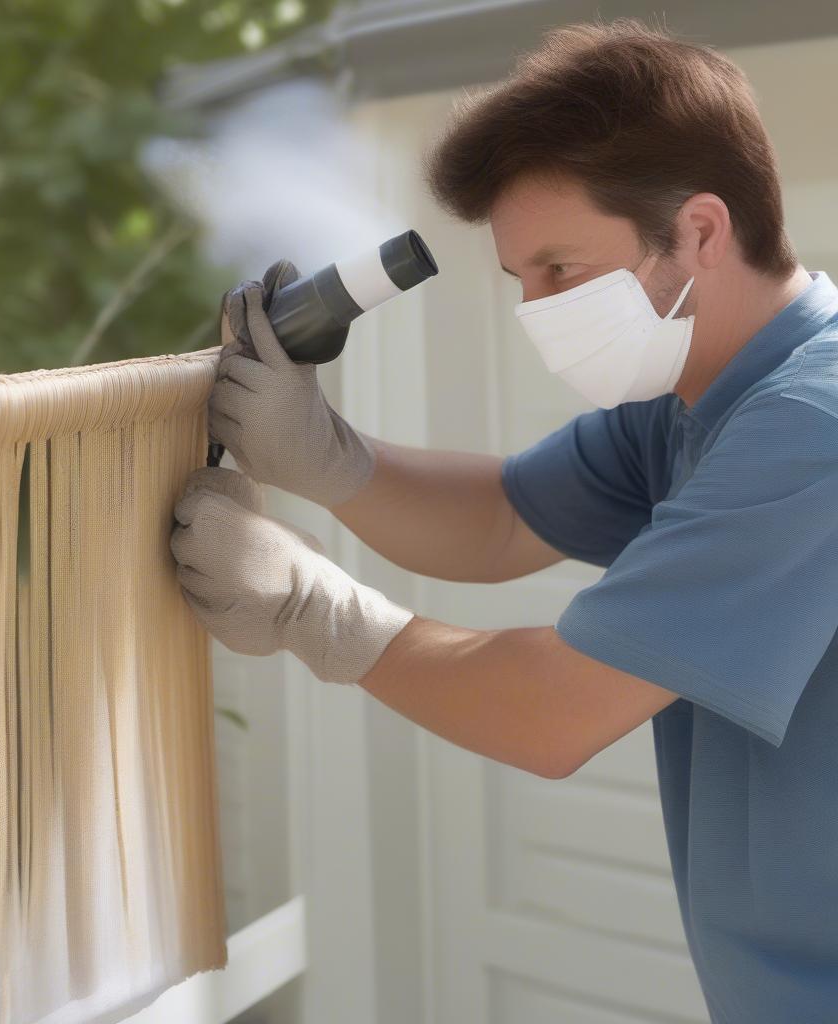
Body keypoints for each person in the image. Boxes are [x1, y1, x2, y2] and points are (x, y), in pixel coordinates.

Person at [169, 17, 838, 1021]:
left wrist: (317, 609)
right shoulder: (693, 400)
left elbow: (554, 711)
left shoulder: (809, 423)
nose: (536, 310)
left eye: (560, 270)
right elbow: (499, 520)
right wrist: (322, 454)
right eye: (519, 279)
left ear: (699, 230)